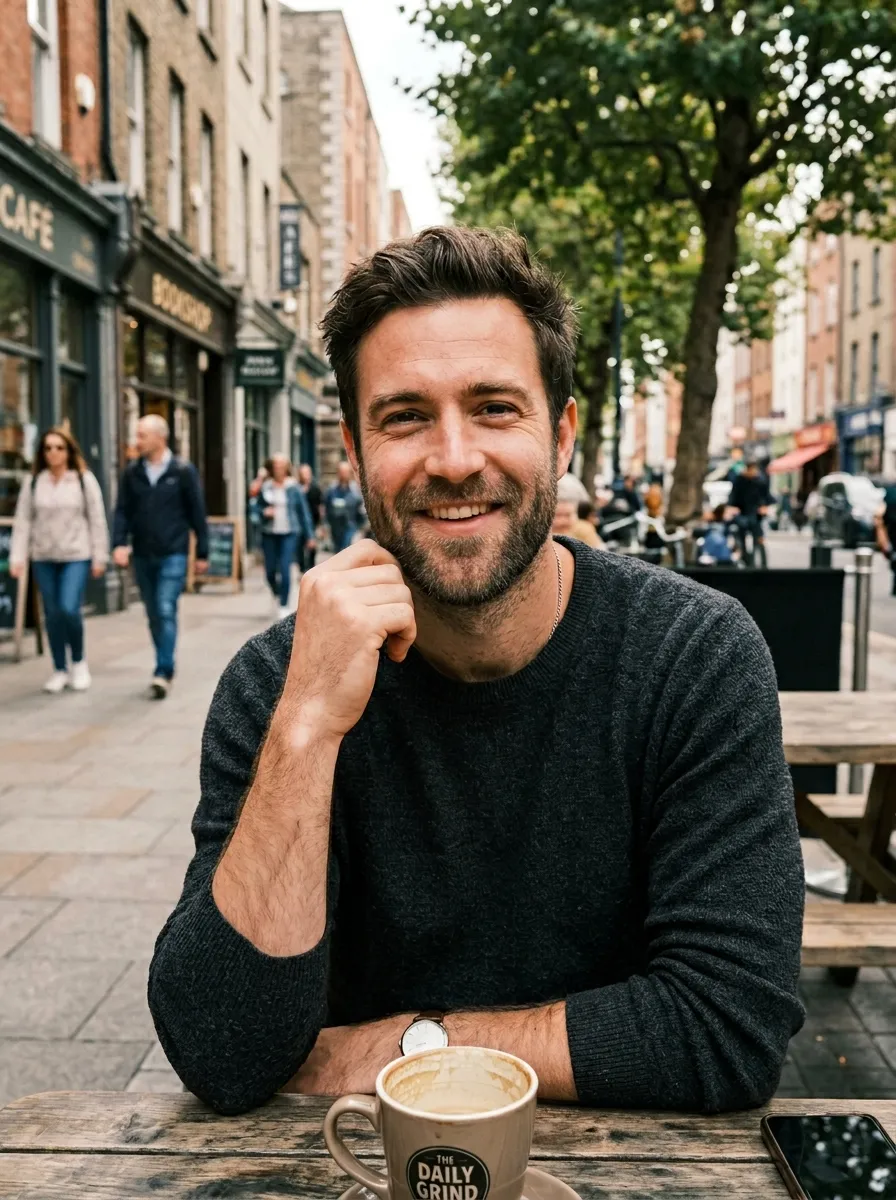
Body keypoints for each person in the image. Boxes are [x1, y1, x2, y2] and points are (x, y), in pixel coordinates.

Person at [148, 225, 803, 1117]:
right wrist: (306, 726)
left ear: (562, 435)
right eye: (406, 416)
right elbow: (224, 1052)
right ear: (354, 451)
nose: (454, 460)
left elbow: (728, 1027)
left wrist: (411, 1049)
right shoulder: (279, 681)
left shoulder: (694, 654)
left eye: (495, 406)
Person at [112, 415, 209, 699]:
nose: (136, 440)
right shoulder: (132, 473)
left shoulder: (182, 471)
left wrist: (202, 551)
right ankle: (163, 661)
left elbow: (196, 512)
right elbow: (122, 511)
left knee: (165, 608)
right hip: (142, 554)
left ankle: (163, 670)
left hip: (173, 553)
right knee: (154, 613)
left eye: (142, 435)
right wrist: (119, 543)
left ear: (160, 437)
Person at [9, 427, 109, 693]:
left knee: (69, 609)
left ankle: (78, 662)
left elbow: (97, 519)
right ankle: (59, 669)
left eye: (59, 447)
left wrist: (101, 556)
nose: (53, 452)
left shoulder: (82, 479)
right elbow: (23, 522)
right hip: (43, 556)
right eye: (48, 448)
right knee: (52, 614)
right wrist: (17, 557)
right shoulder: (34, 482)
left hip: (76, 555)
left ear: (68, 451)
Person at [252, 453, 315, 620]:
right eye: (276, 465)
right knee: (270, 571)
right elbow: (254, 508)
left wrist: (310, 536)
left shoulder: (293, 487)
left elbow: (304, 512)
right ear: (271, 468)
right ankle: (277, 592)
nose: (278, 468)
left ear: (287, 467)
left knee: (285, 568)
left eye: (281, 465)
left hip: (289, 533)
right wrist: (264, 512)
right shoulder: (266, 487)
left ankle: (284, 604)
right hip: (269, 533)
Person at [726, 459, 772, 568]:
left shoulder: (760, 480)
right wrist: (732, 507)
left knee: (758, 536)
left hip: (756, 513)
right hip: (742, 512)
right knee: (741, 535)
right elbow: (733, 495)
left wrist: (764, 506)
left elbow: (766, 496)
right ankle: (745, 557)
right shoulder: (740, 480)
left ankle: (759, 558)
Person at [324, 461, 364, 552]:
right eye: (342, 472)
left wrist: (361, 525)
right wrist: (325, 525)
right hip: (336, 527)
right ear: (338, 473)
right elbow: (326, 508)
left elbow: (361, 507)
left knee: (346, 548)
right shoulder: (332, 490)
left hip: (351, 525)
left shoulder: (355, 490)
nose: (344, 474)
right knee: (338, 551)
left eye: (346, 472)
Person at [298, 464, 322, 571]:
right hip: (299, 523)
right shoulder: (296, 489)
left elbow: (321, 507)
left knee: (312, 547)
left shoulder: (315, 489)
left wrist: (320, 525)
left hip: (313, 522)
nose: (305, 476)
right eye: (303, 473)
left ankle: (311, 568)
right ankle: (302, 568)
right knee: (300, 547)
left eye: (307, 473)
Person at [875, 482, 896, 597]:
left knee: (893, 555)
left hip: (892, 529)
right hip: (892, 527)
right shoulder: (890, 491)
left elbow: (881, 513)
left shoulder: (890, 491)